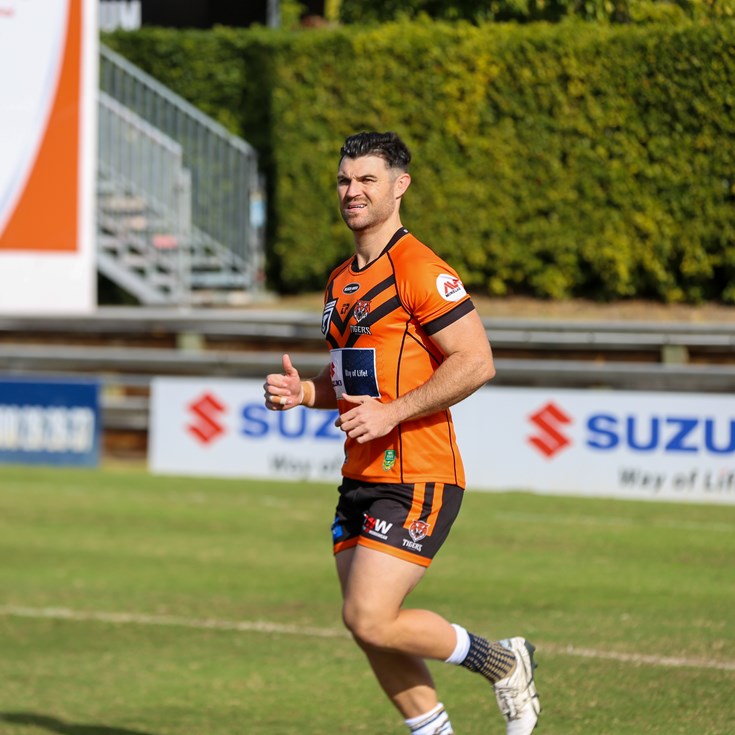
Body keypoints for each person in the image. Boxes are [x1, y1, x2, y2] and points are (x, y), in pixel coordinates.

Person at [263, 131, 540, 735]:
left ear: (399, 186)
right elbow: (349, 380)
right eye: (345, 180)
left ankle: (503, 661)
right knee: (367, 626)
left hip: (418, 474)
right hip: (359, 474)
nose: (353, 191)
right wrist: (304, 392)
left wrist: (392, 413)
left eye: (367, 179)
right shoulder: (340, 281)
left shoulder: (419, 268)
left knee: (370, 616)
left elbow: (476, 362)